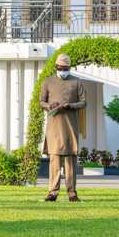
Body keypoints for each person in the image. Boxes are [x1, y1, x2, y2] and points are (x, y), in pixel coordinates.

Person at [38, 53, 87, 202]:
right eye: (60, 68)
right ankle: (53, 192)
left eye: (66, 68)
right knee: (55, 160)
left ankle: (72, 192)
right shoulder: (47, 81)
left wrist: (70, 105)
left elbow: (84, 102)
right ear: (56, 67)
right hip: (54, 127)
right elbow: (41, 102)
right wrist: (49, 105)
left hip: (70, 126)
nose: (63, 70)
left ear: (69, 68)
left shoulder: (77, 82)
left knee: (70, 160)